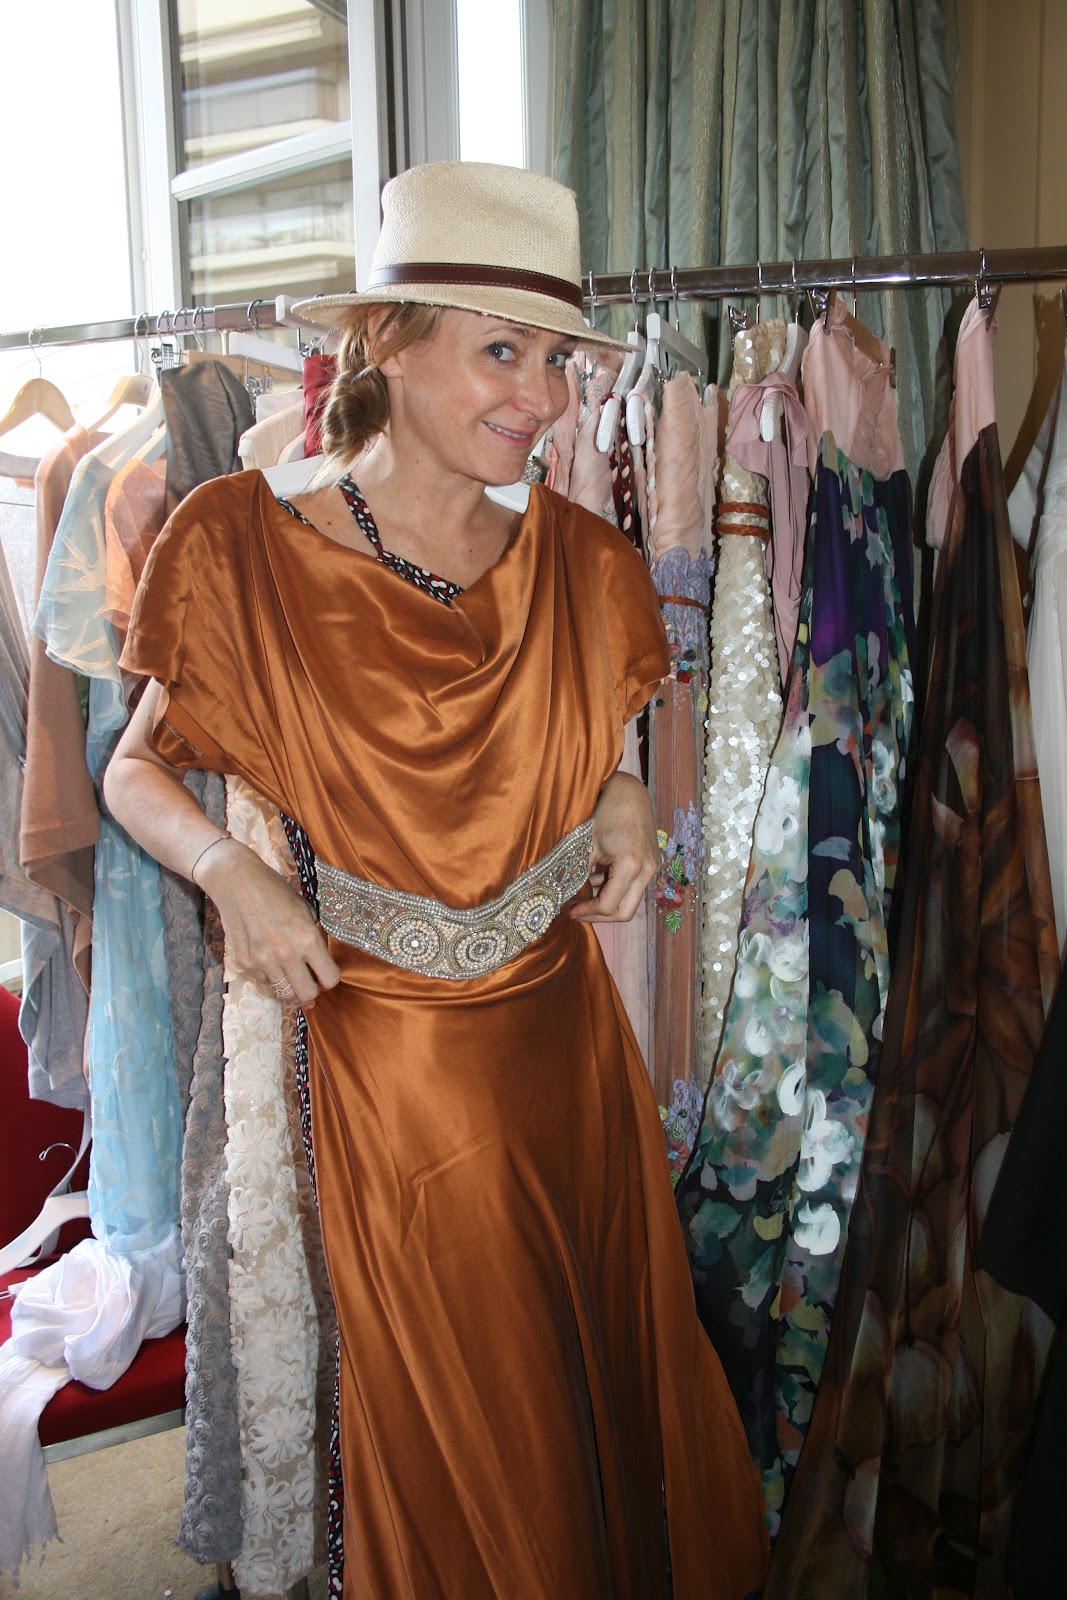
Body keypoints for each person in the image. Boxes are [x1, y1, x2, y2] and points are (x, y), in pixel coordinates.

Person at [105, 161, 768, 1599]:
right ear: (387, 346)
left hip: (566, 1049)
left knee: (591, 1393)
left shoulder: (585, 560)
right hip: (396, 1066)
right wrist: (231, 871)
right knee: (466, 1435)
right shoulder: (241, 546)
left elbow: (579, 743)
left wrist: (622, 795)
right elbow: (132, 772)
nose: (541, 397)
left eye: (556, 360)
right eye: (501, 351)